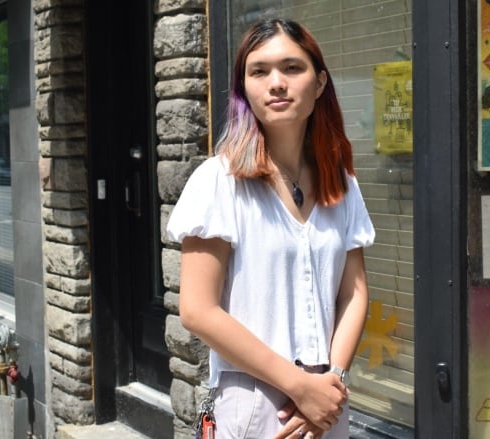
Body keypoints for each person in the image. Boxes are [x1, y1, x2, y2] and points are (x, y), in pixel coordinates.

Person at [166, 17, 375, 439]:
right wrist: (299, 386)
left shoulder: (341, 183)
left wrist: (332, 381)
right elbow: (198, 310)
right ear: (244, 89)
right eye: (259, 71)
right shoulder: (219, 182)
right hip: (255, 401)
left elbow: (353, 293)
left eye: (291, 68)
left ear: (319, 83)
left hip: (327, 400)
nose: (276, 82)